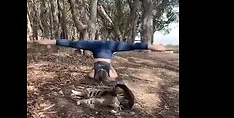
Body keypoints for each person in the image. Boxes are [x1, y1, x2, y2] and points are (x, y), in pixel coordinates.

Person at [35, 39, 167, 81]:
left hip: (105, 53)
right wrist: (153, 47)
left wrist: (51, 41)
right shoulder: (107, 46)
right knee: (129, 47)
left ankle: (110, 61)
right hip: (107, 52)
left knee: (111, 74)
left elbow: (70, 43)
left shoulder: (93, 45)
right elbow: (133, 46)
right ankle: (111, 60)